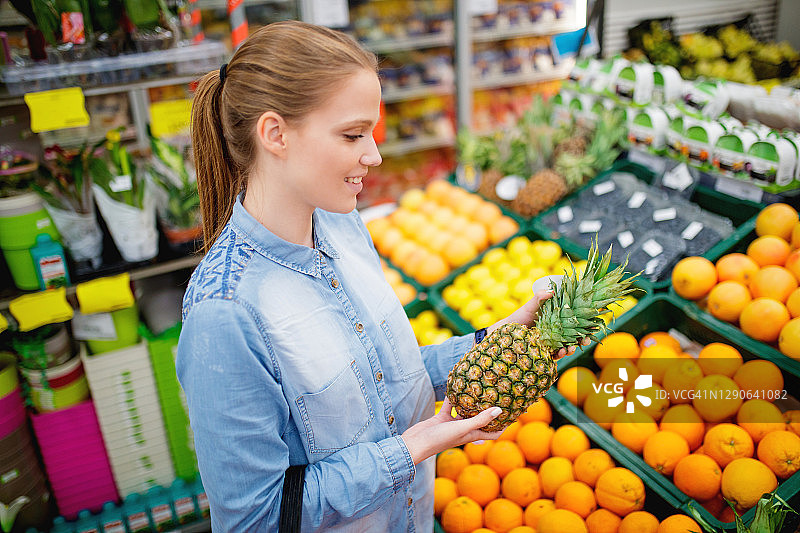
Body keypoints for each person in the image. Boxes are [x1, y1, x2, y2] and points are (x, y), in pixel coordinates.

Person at [177, 20, 584, 532]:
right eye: (352, 134)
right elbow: (254, 518)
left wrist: (498, 341)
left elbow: (386, 377)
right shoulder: (225, 313)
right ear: (275, 133)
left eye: (371, 131)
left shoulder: (343, 226)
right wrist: (413, 447)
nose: (375, 155)